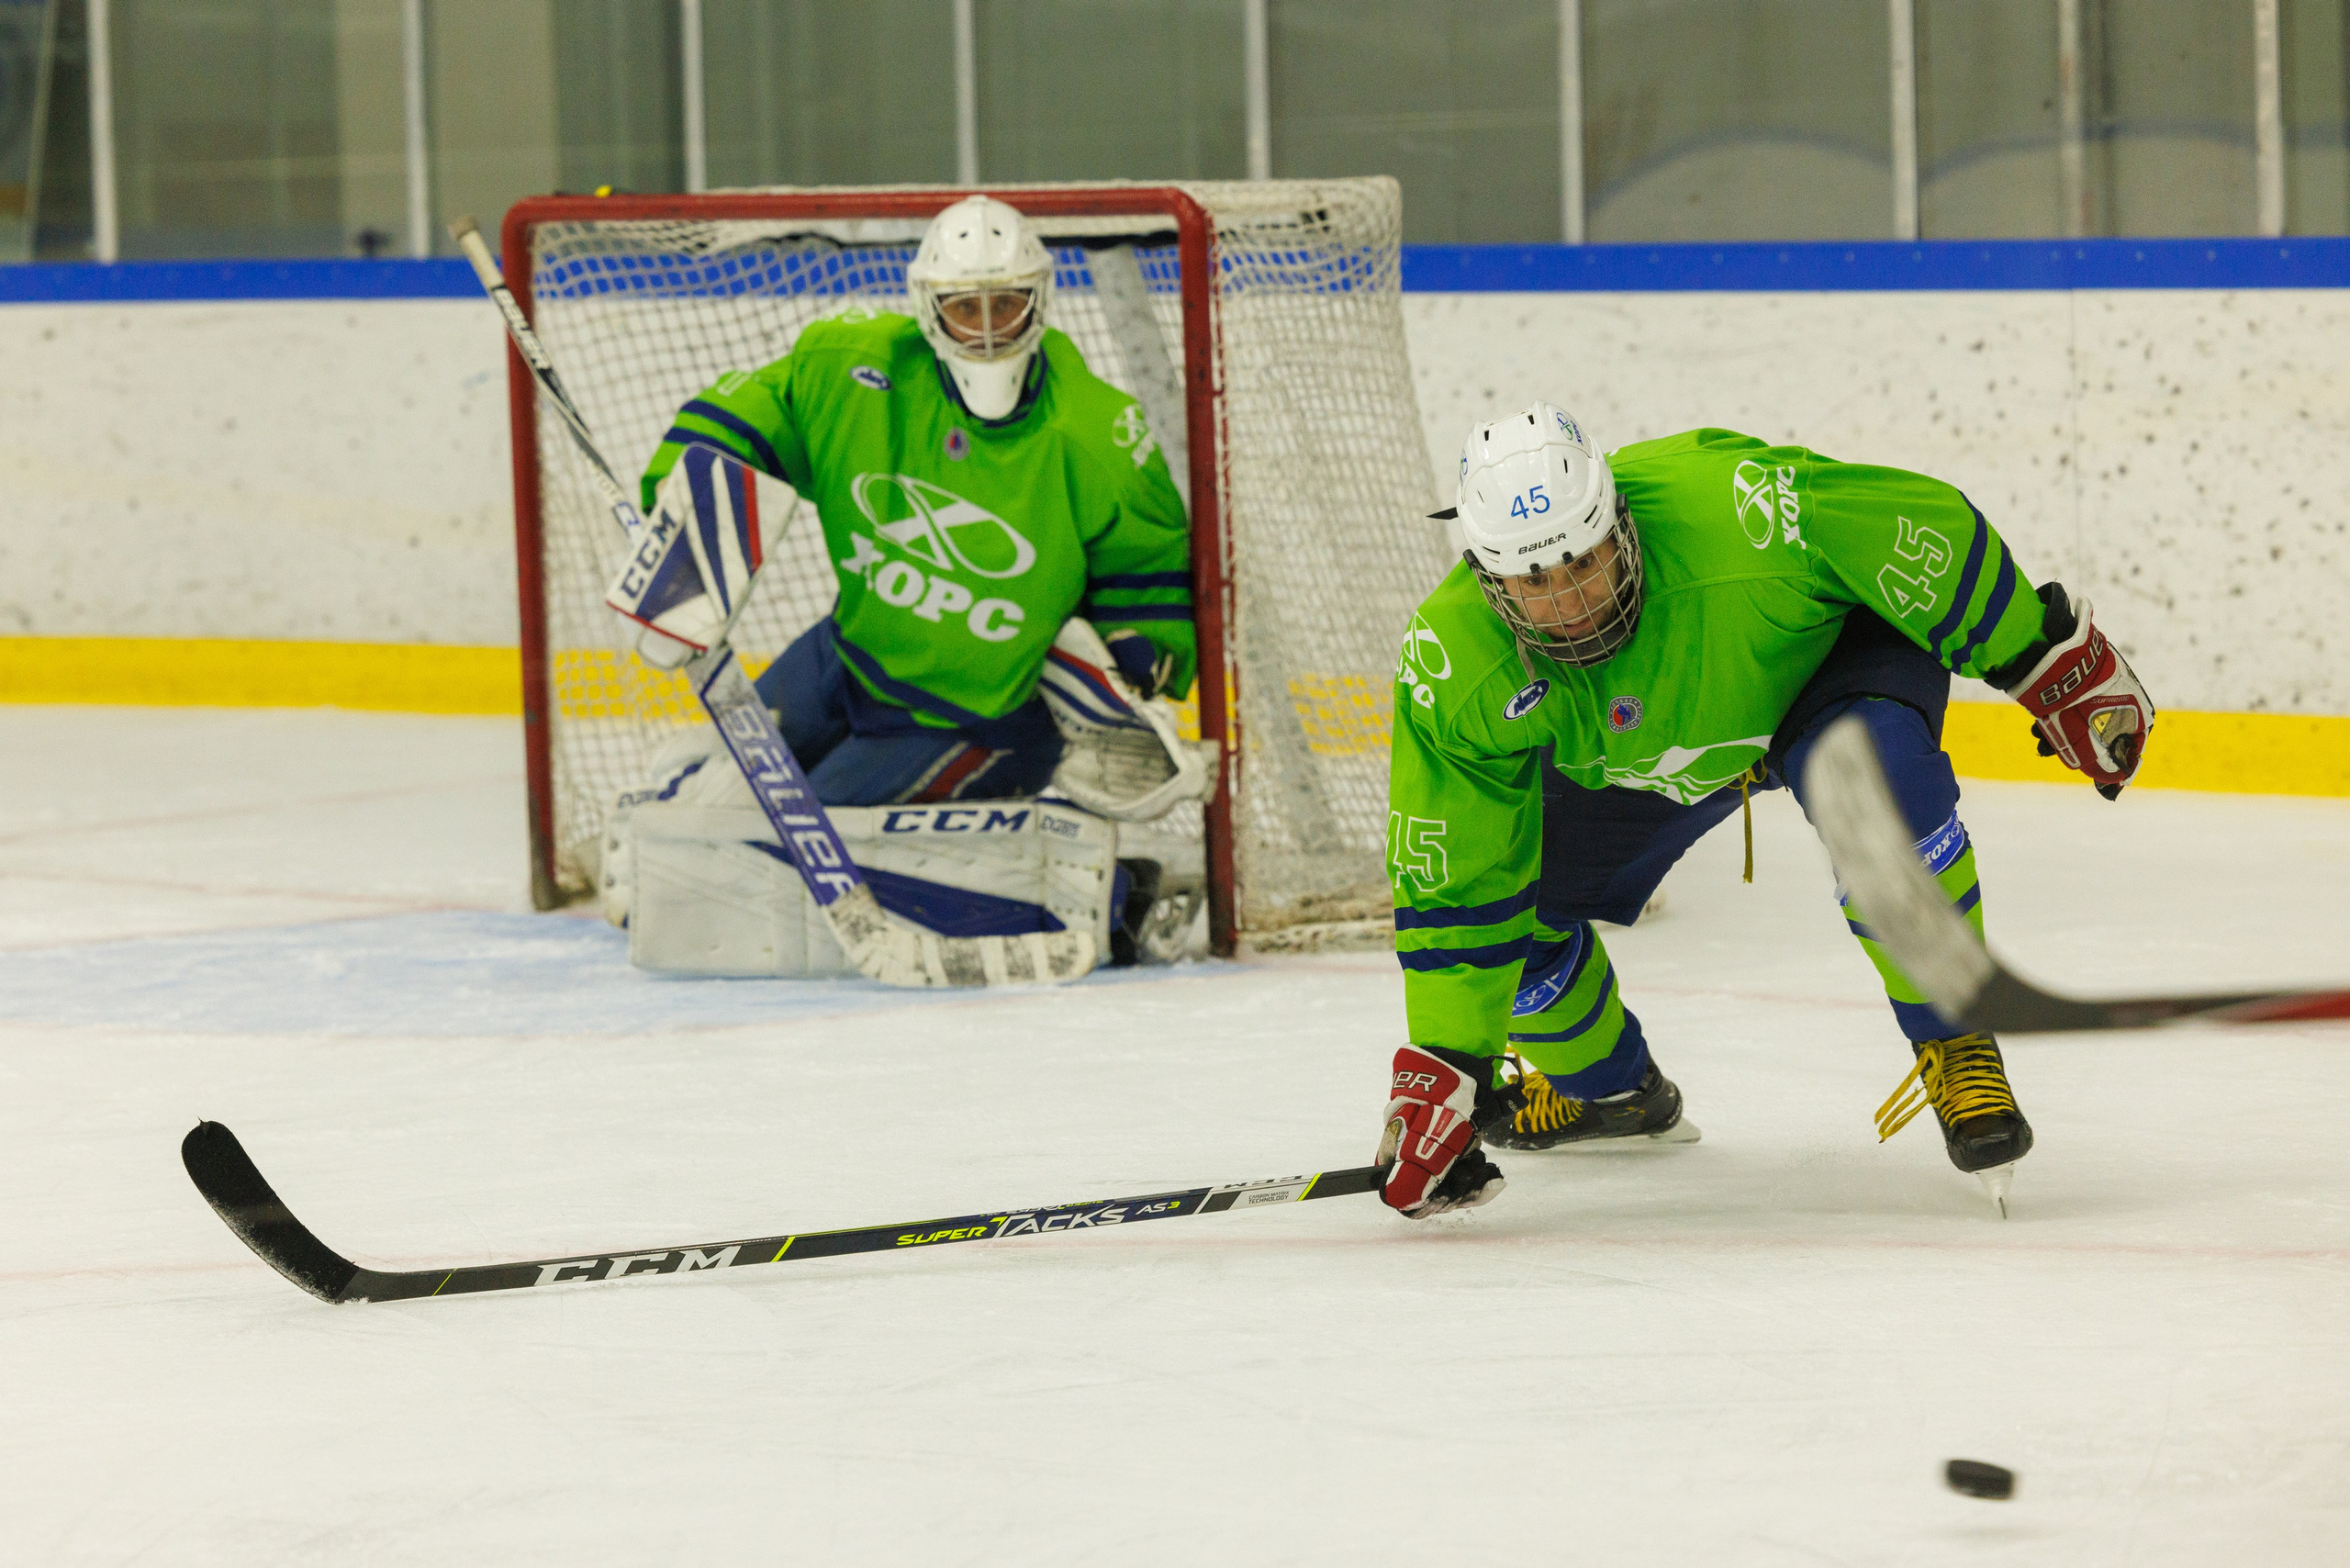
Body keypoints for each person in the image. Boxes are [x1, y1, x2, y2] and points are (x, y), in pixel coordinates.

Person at [1376, 404, 2154, 1218]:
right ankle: (1612, 1095)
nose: (1570, 601)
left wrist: (2039, 653)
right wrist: (1450, 1068)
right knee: (1522, 914)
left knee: (1880, 799)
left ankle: (1955, 1038)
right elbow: (1458, 876)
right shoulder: (1452, 662)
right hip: (1656, 759)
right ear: (1486, 577)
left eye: (1584, 561)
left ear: (1621, 522)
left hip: (1827, 672)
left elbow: (1918, 524)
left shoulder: (1739, 507)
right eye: (1534, 582)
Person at [636, 194, 1195, 806]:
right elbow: (743, 418)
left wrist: (1139, 656)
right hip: (846, 662)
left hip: (982, 724)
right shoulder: (855, 374)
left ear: (1038, 301)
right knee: (699, 797)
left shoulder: (1097, 435)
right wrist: (679, 508)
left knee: (804, 835)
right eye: (965, 308)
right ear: (930, 308)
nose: (986, 330)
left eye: (1005, 304)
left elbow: (1146, 564)